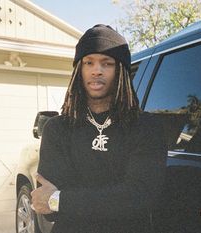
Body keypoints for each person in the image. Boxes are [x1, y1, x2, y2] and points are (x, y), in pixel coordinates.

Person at [31, 24, 167, 233]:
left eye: (107, 63)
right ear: (79, 69)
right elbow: (47, 207)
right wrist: (56, 201)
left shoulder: (146, 127)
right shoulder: (57, 129)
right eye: (88, 62)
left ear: (120, 70)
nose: (97, 70)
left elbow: (140, 198)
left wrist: (59, 199)